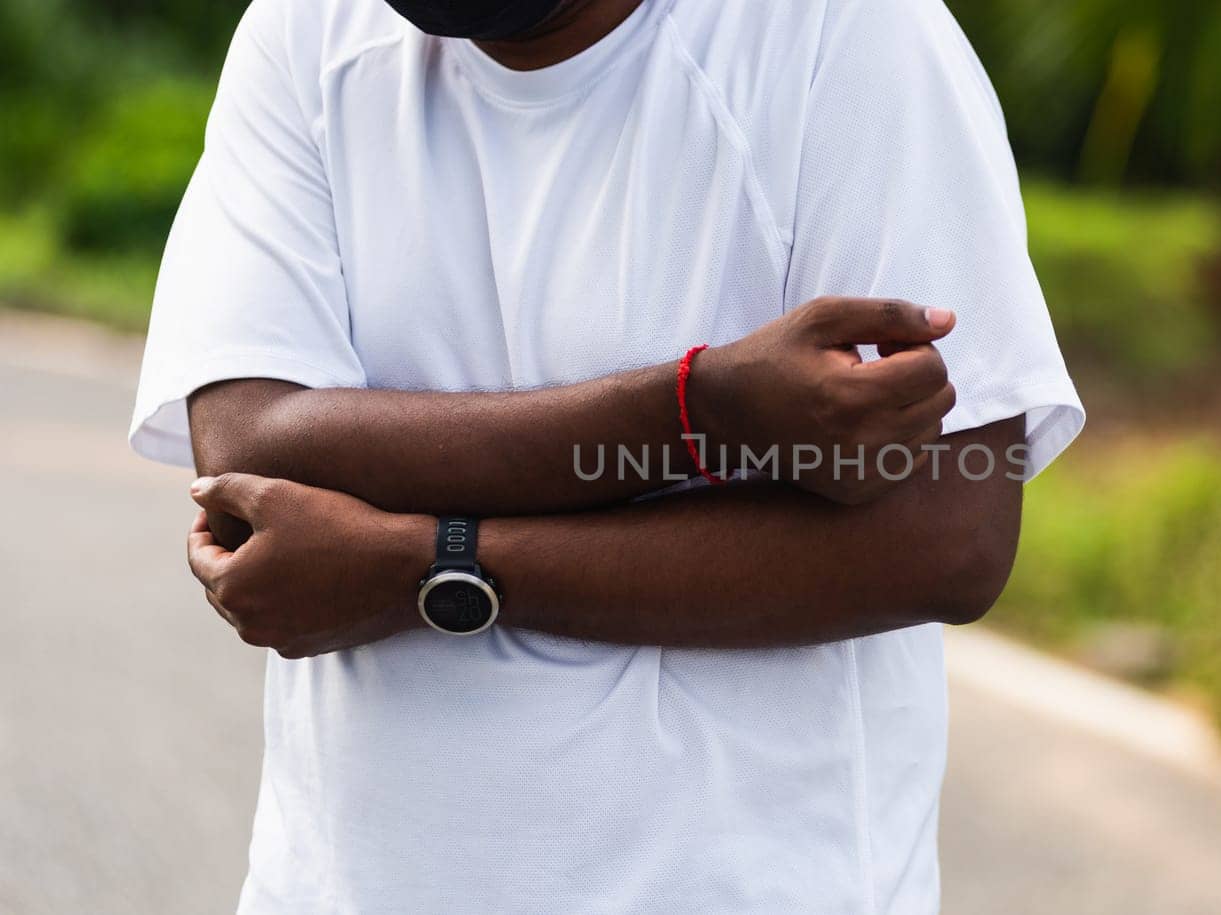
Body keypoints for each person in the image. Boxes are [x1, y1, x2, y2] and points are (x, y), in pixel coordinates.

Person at [129, 0, 1084, 910]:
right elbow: (251, 440)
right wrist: (701, 411)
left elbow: (946, 539)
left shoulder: (848, 34)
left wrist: (431, 564)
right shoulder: (309, 30)